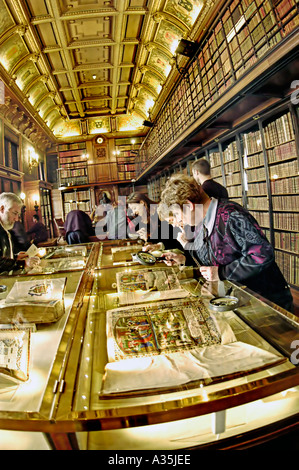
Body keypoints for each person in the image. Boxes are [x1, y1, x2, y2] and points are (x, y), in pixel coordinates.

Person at [159, 174, 294, 312]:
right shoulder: (202, 223)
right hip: (239, 302)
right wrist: (183, 259)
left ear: (189, 205)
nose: (178, 220)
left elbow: (263, 254)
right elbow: (213, 258)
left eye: (176, 214)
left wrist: (223, 272)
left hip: (266, 304)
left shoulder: (231, 215)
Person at [0, 192, 40, 273]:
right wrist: (22, 263)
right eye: (14, 213)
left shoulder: (5, 229)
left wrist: (15, 257)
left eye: (18, 214)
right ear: (2, 209)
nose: (16, 219)